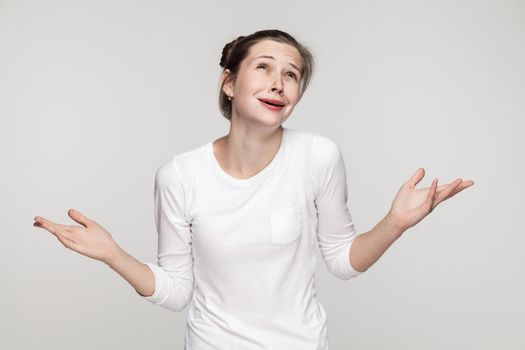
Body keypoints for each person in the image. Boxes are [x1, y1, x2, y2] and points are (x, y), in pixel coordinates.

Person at [33, 29, 474, 349]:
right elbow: (176, 292)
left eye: (292, 75)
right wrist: (113, 254)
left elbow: (341, 260)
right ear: (229, 82)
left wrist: (395, 223)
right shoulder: (179, 176)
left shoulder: (317, 156)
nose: (278, 83)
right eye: (263, 68)